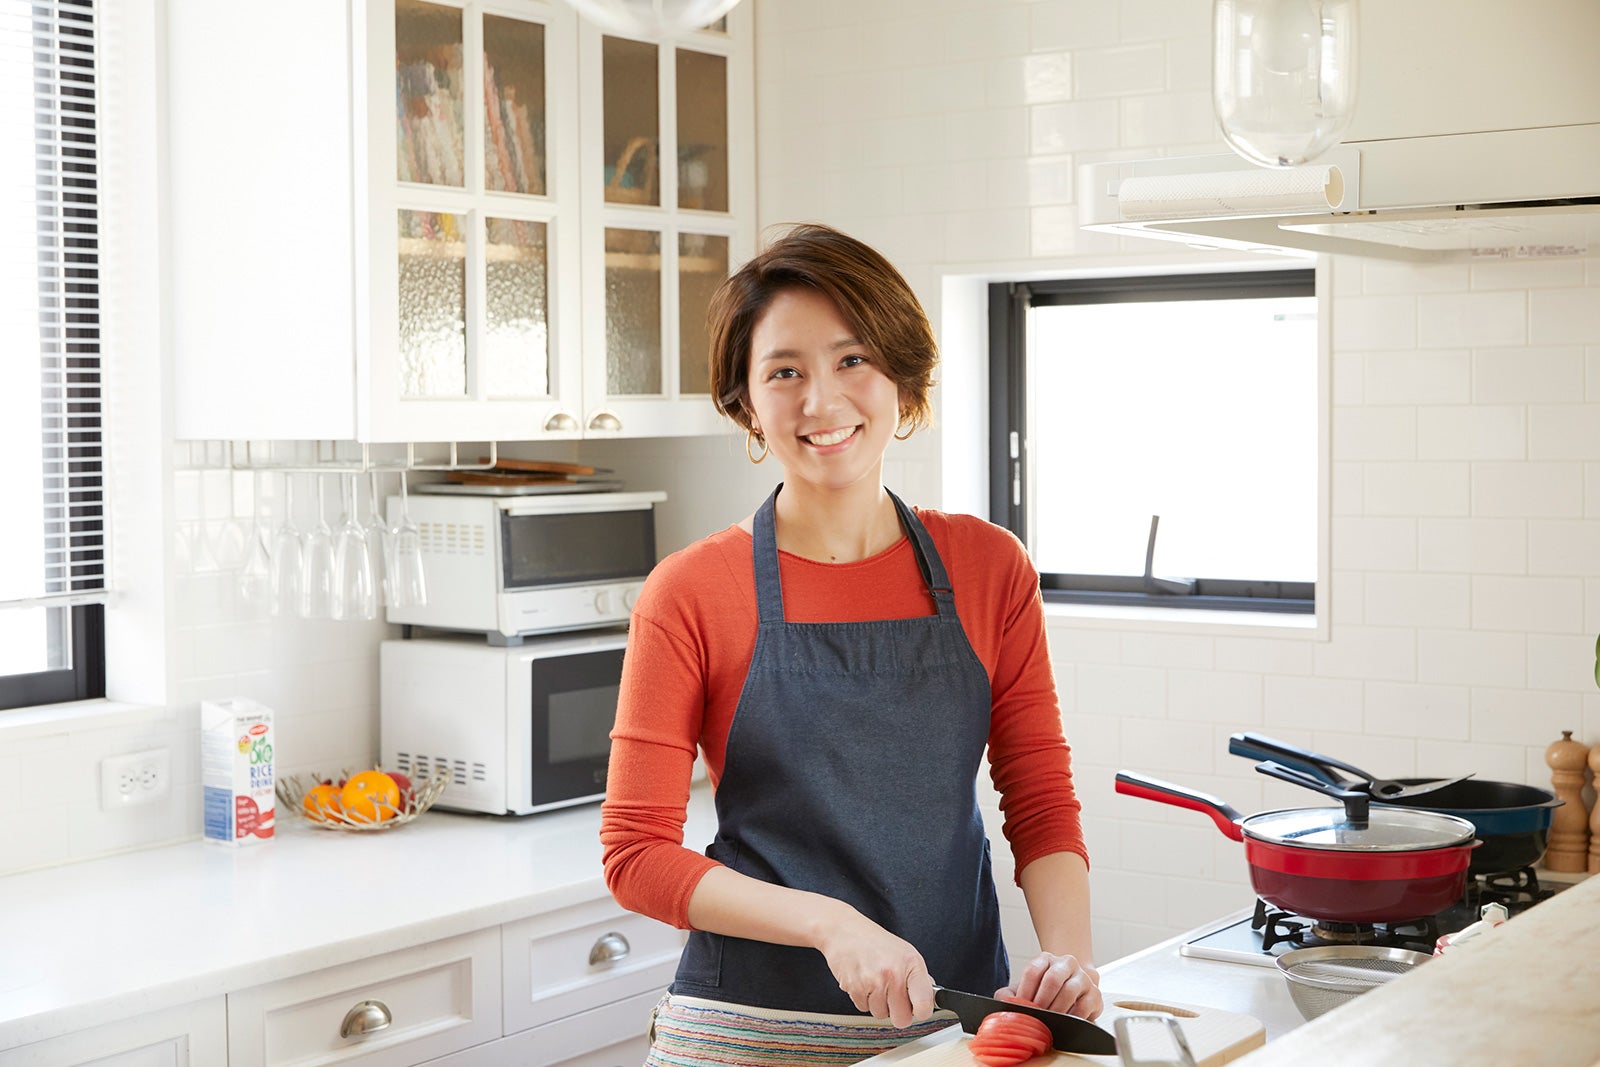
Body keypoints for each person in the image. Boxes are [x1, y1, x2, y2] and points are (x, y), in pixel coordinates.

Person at [600, 223, 1098, 1066]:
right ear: (745, 402)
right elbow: (636, 854)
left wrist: (1069, 959)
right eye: (784, 371)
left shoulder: (990, 567)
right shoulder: (690, 592)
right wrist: (829, 923)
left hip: (954, 1028)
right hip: (749, 1030)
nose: (820, 401)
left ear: (901, 379)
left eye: (852, 360)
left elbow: (1040, 799)